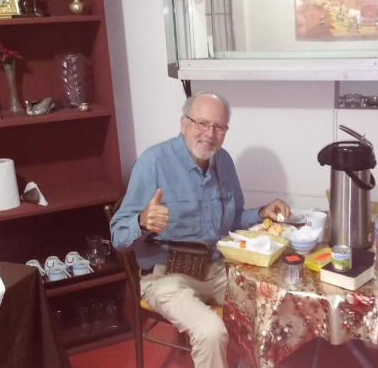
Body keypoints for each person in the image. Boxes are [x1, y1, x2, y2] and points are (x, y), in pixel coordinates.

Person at [110, 91, 291, 368]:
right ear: (184, 124)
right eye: (202, 123)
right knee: (210, 330)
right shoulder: (153, 162)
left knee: (270, 308)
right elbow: (118, 236)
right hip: (165, 275)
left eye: (219, 127)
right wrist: (142, 222)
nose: (210, 134)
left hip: (216, 268)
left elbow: (233, 221)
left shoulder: (224, 161)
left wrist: (261, 213)